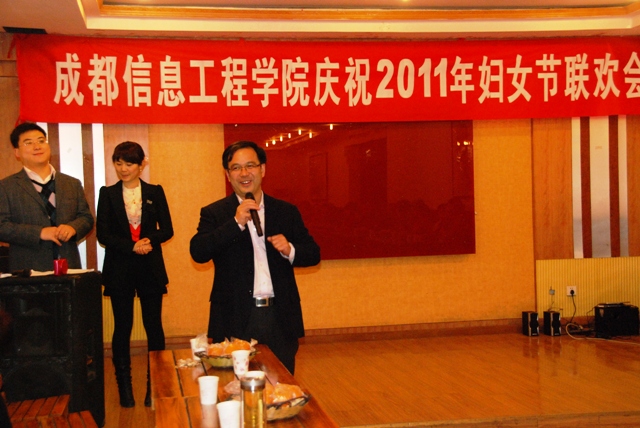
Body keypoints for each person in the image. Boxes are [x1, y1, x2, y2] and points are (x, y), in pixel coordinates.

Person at [190, 141, 320, 374]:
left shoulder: (285, 211)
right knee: (234, 385)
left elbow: (313, 253)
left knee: (282, 383)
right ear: (228, 175)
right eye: (236, 168)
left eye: (250, 165)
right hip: (235, 316)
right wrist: (235, 223)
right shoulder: (215, 213)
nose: (244, 173)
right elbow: (198, 252)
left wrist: (290, 249)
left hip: (279, 316)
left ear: (263, 169)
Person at [96, 141, 173, 408]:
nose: (123, 168)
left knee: (154, 326)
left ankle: (155, 387)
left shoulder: (155, 191)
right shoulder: (107, 193)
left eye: (129, 163)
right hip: (119, 268)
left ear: (142, 164)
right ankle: (125, 389)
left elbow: (168, 229)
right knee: (122, 327)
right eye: (118, 163)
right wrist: (132, 246)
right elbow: (103, 234)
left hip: (150, 266)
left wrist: (148, 241)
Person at [0, 122, 94, 272]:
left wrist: (73, 228)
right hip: (28, 271)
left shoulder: (71, 183)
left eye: (41, 141)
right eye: (28, 143)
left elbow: (86, 218)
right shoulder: (6, 187)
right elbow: (2, 226)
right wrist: (39, 233)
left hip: (68, 268)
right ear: (17, 152)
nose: (37, 146)